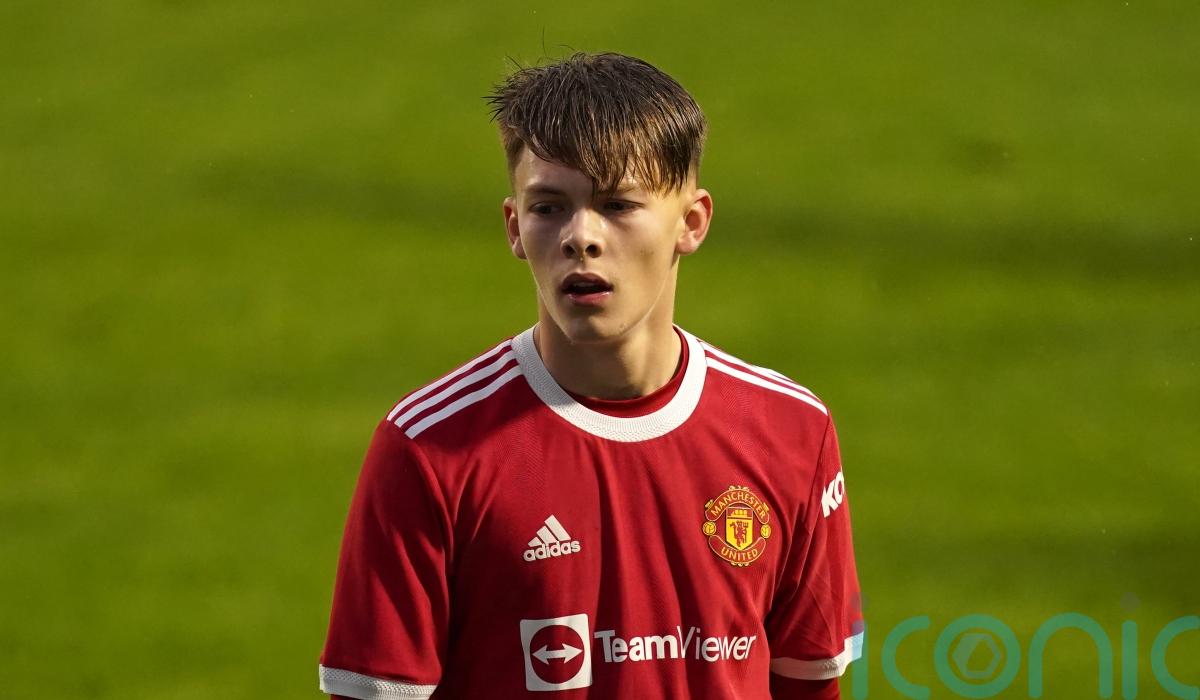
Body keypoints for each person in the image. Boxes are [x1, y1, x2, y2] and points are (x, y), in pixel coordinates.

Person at [319, 51, 864, 699]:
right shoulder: (430, 448)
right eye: (549, 207)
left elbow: (809, 684)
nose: (581, 236)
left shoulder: (792, 433)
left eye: (617, 204)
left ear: (691, 223)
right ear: (514, 227)